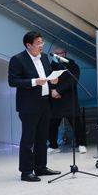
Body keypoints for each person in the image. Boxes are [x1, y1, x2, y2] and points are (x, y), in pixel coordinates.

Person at [7, 31, 60, 182]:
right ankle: (26, 172)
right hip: (28, 105)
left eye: (42, 42)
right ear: (28, 45)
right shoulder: (18, 59)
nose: (41, 45)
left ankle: (41, 167)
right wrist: (34, 82)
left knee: (42, 138)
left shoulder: (44, 57)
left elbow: (48, 76)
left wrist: (53, 81)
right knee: (28, 139)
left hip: (45, 102)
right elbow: (13, 81)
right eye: (38, 43)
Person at [47, 47, 87, 155]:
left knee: (76, 123)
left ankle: (81, 144)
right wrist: (53, 91)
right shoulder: (50, 66)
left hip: (69, 98)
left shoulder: (72, 65)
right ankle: (53, 145)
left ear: (64, 54)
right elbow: (46, 80)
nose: (57, 55)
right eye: (55, 53)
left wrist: (59, 90)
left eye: (60, 53)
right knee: (52, 124)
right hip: (55, 99)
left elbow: (73, 81)